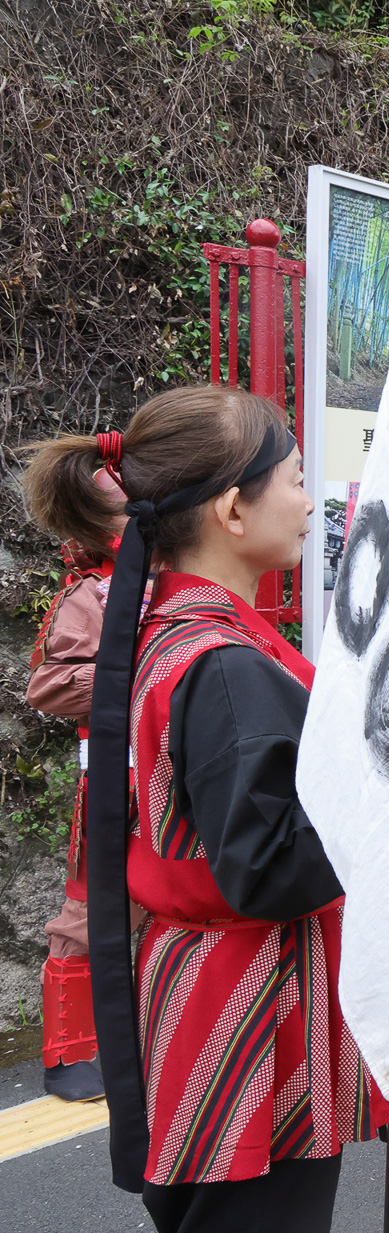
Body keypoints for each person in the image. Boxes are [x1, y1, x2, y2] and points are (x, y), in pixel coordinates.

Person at [24, 386, 389, 1233]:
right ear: (233, 509)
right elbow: (269, 868)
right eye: (297, 480)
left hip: (202, 988)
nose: (309, 503)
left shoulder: (169, 635)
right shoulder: (224, 662)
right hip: (252, 1014)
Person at [22, 463, 128, 1104]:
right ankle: (69, 1053)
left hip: (179, 770)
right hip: (116, 779)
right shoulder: (89, 594)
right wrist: (134, 673)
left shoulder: (177, 582)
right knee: (90, 911)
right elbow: (49, 684)